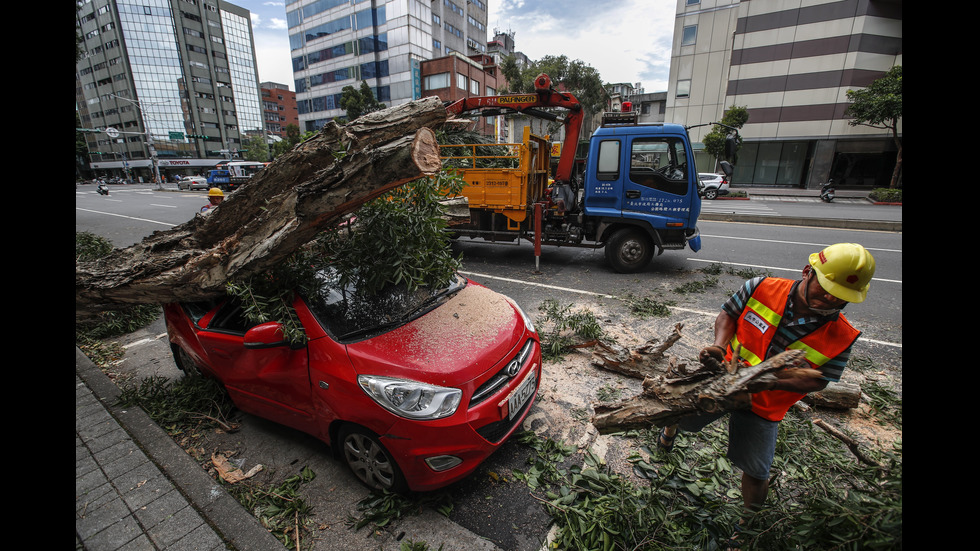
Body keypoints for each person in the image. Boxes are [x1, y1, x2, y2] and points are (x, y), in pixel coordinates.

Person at [658, 242, 876, 545]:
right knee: (683, 414)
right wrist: (720, 346)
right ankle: (669, 431)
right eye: (826, 289)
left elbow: (819, 381)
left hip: (764, 403)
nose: (830, 299)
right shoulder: (761, 287)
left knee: (758, 471)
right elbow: (728, 315)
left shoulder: (843, 335)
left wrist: (769, 381)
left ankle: (747, 526)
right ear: (807, 272)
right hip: (723, 379)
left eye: (840, 297)